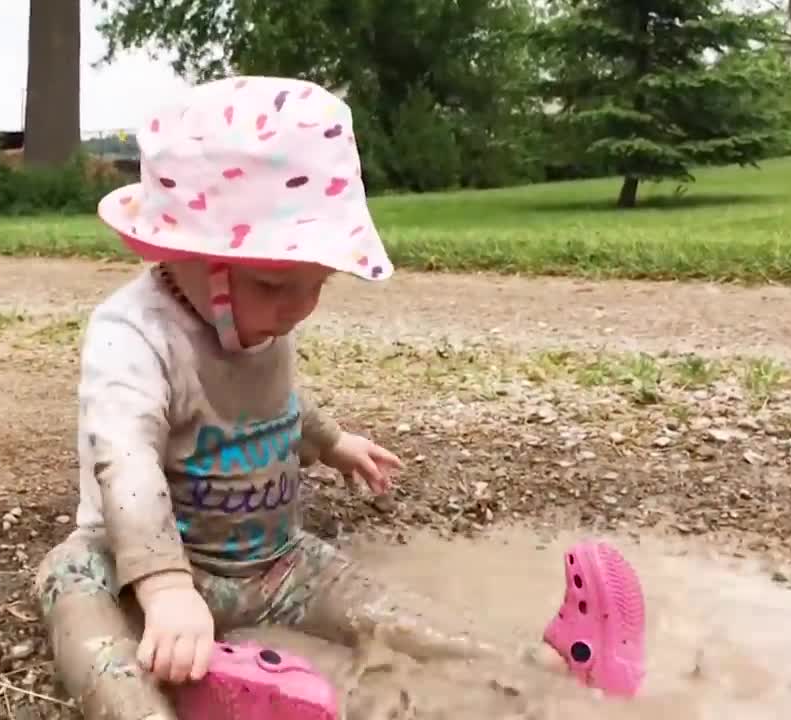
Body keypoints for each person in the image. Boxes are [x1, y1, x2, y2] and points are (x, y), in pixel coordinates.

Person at [32, 75, 642, 719]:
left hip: (275, 564)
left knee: (377, 605)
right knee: (70, 581)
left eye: (317, 282)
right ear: (188, 252)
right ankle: (140, 709)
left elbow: (271, 401)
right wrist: (164, 589)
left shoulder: (255, 316)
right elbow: (125, 459)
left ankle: (546, 662)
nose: (300, 308)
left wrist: (330, 442)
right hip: (152, 571)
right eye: (275, 283)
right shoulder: (132, 333)